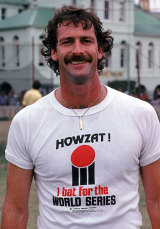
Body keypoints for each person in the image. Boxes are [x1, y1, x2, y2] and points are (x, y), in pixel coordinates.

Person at [1, 5, 160, 229]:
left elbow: (156, 201)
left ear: (100, 50)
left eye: (86, 40)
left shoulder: (140, 114)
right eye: (67, 42)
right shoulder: (27, 122)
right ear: (54, 52)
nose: (78, 49)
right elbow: (15, 210)